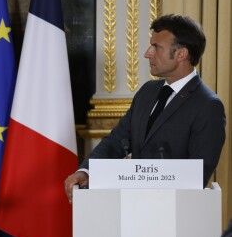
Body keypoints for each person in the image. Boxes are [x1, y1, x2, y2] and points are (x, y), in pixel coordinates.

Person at [64, 14, 226, 203]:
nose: (148, 53)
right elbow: (117, 140)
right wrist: (86, 171)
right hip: (131, 208)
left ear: (181, 54)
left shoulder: (208, 105)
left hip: (174, 216)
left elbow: (197, 175)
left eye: (156, 47)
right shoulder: (148, 92)